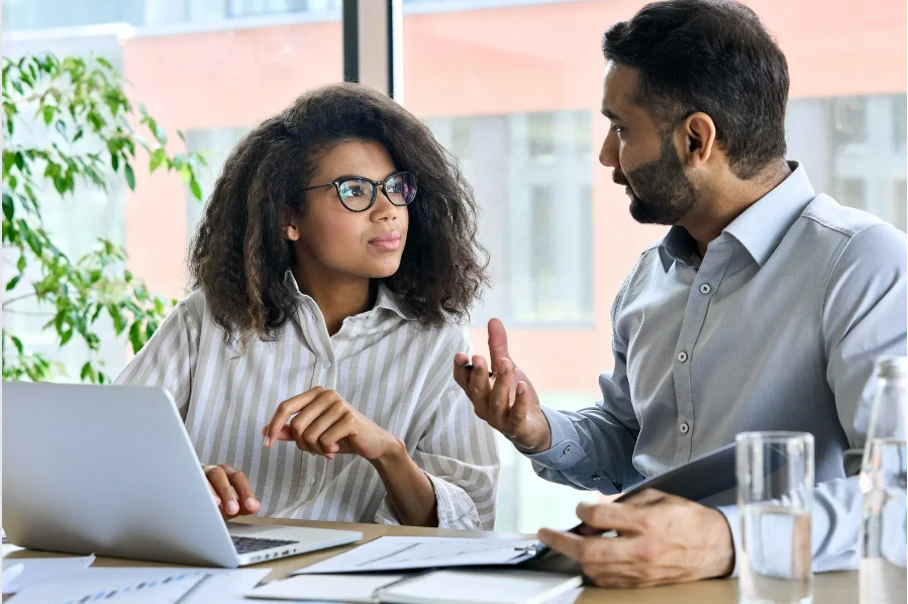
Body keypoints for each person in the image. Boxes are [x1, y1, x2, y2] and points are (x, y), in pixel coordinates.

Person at [454, 0, 908, 587]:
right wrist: (537, 429)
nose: (607, 156)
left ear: (697, 139)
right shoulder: (650, 277)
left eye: (621, 128)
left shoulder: (863, 264)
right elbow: (629, 446)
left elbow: (897, 498)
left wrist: (725, 538)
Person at [117, 83, 499, 530]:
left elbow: (473, 524)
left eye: (396, 187)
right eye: (354, 190)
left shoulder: (438, 340)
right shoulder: (206, 320)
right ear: (288, 218)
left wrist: (388, 453)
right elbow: (103, 451)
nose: (388, 210)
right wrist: (182, 481)